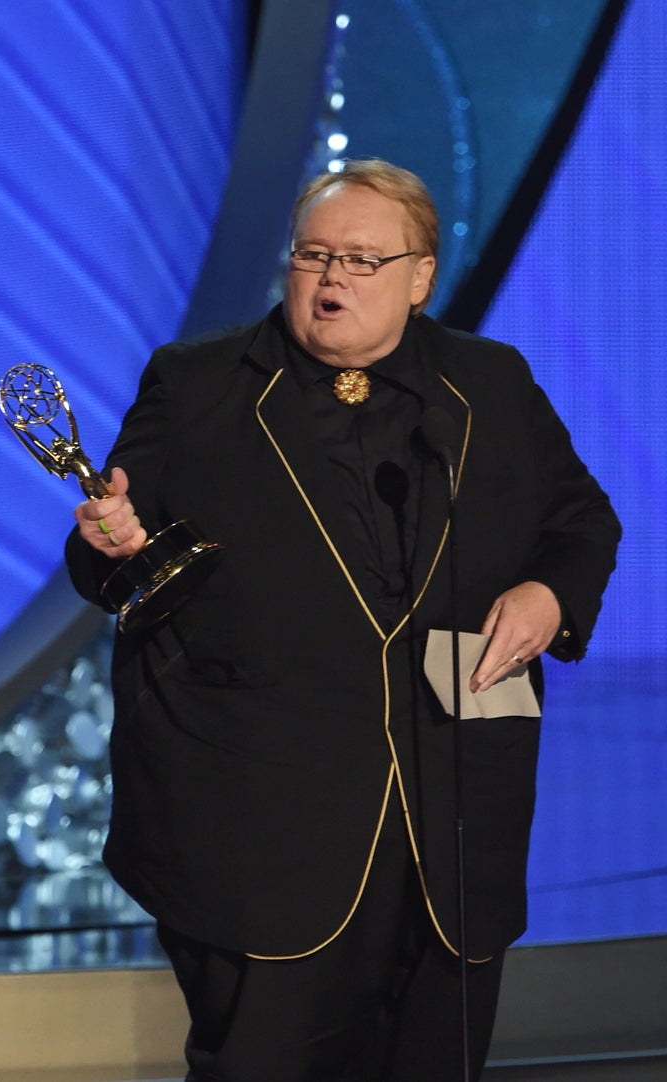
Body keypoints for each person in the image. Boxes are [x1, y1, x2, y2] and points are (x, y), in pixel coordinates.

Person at [65, 159, 620, 1081]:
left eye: (362, 260)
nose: (331, 280)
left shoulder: (488, 383)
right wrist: (114, 543)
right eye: (314, 255)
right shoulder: (197, 386)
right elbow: (107, 565)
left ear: (420, 277)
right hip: (261, 835)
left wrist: (550, 596)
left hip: (451, 825)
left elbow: (580, 521)